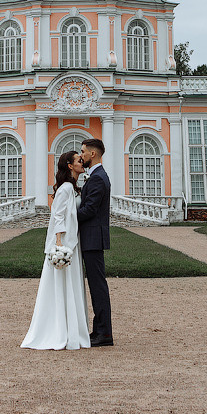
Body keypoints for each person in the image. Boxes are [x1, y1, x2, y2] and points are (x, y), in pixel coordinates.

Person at [21, 151, 90, 350]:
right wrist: (59, 244)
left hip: (72, 241)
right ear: (70, 166)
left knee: (69, 285)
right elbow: (57, 214)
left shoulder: (73, 188)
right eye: (79, 160)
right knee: (61, 285)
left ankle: (70, 330)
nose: (82, 162)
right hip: (65, 244)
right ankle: (60, 331)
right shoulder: (66, 188)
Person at [77, 137, 113, 347]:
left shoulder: (98, 177)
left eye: (83, 152)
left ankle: (104, 333)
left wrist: (69, 215)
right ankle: (99, 329)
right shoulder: (95, 176)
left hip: (93, 238)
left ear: (93, 154)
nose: (81, 155)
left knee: (98, 286)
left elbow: (90, 209)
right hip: (90, 237)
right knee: (96, 285)